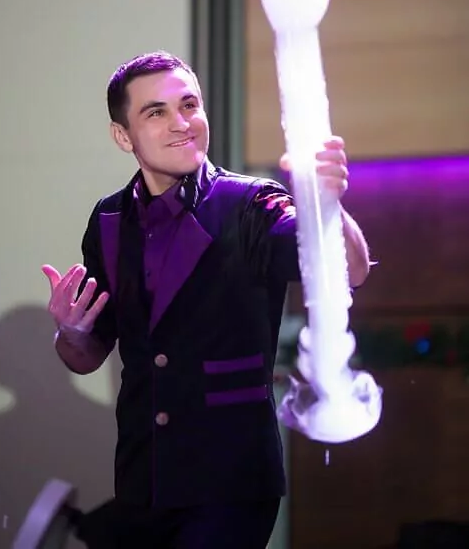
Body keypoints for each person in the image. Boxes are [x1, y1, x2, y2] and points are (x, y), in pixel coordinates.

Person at [42, 51, 370, 548]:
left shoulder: (253, 203)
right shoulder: (108, 220)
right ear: (123, 136)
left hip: (231, 483)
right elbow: (86, 357)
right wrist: (71, 332)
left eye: (189, 105)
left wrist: (327, 205)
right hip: (143, 480)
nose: (182, 123)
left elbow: (347, 272)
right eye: (157, 112)